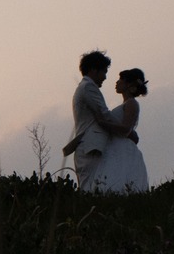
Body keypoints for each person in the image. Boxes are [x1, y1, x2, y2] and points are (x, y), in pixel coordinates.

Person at [63, 51, 133, 190]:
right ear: (94, 70)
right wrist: (127, 130)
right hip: (91, 146)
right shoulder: (88, 87)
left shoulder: (84, 87)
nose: (105, 77)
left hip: (90, 146)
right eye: (104, 72)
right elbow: (104, 114)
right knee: (93, 187)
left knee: (95, 187)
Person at [90, 68, 150, 194]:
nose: (117, 82)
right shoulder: (125, 104)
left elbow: (126, 129)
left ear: (129, 85)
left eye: (120, 80)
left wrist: (102, 122)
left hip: (122, 149)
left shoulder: (131, 104)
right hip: (114, 147)